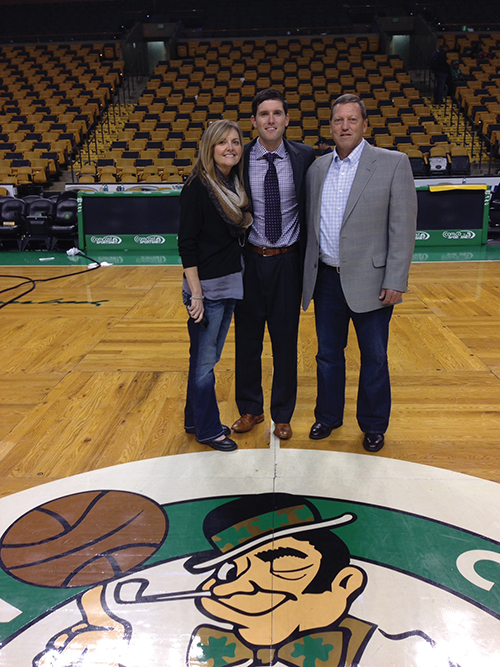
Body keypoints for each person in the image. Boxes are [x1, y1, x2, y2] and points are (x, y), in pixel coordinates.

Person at [302, 94, 417, 453]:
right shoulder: (318, 168)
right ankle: (328, 416)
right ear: (331, 126)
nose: (345, 126)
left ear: (365, 125)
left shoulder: (393, 163)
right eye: (338, 121)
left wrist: (396, 279)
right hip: (327, 280)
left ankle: (372, 424)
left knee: (375, 357)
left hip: (373, 281)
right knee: (328, 355)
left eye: (352, 120)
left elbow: (403, 227)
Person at [231, 88, 315, 440]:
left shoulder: (307, 158)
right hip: (249, 260)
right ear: (253, 121)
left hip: (288, 262)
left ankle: (282, 413)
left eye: (276, 113)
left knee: (285, 342)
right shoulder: (237, 158)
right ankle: (250, 409)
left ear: (287, 119)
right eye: (263, 114)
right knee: (247, 342)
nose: (270, 120)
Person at [178, 119, 252, 452]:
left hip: (228, 282)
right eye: (222, 142)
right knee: (206, 363)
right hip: (206, 290)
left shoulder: (232, 184)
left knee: (202, 358)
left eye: (235, 141)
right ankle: (209, 430)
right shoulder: (198, 186)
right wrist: (195, 294)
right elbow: (186, 244)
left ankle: (194, 419)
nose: (231, 147)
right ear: (210, 147)